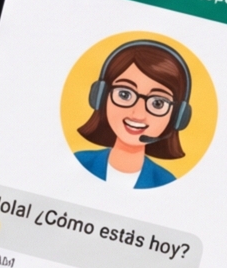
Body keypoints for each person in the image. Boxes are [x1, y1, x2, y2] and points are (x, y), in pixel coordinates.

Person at [73, 40, 192, 190]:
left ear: (178, 117)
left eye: (157, 103)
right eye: (124, 94)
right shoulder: (78, 161)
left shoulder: (167, 183)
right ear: (101, 96)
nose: (138, 114)